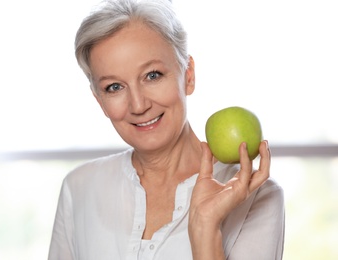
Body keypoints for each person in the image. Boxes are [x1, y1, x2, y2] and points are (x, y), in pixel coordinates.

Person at [48, 0, 285, 259]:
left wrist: (205, 227)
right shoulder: (79, 187)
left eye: (152, 75)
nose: (138, 105)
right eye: (114, 87)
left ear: (188, 75)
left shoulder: (257, 197)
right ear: (99, 100)